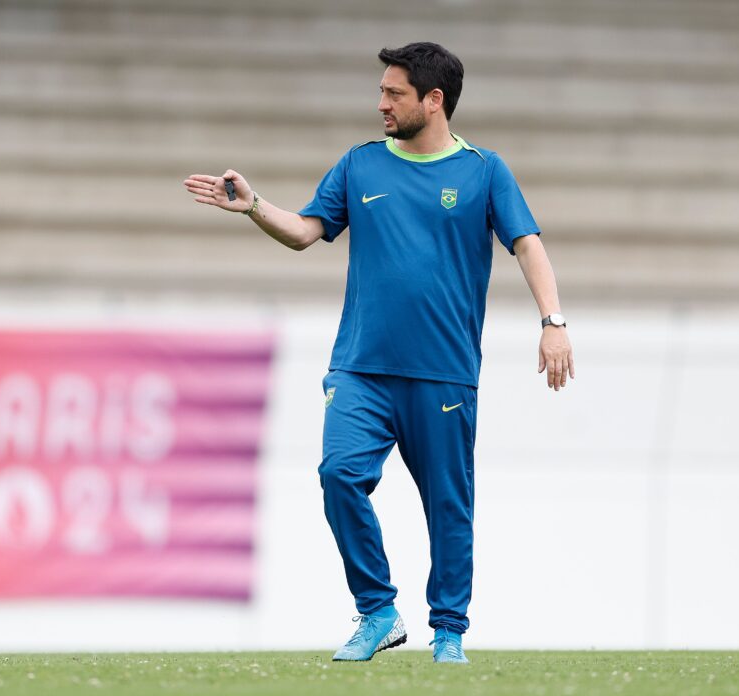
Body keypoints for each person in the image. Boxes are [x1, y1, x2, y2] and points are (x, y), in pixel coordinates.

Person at [183, 41, 574, 665]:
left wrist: (552, 322)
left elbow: (527, 245)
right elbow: (307, 233)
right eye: (382, 91)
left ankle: (448, 634)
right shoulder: (359, 165)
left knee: (448, 507)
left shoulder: (483, 171)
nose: (382, 103)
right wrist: (253, 206)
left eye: (394, 93)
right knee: (339, 474)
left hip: (443, 373)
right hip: (360, 367)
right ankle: (379, 611)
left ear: (434, 100)